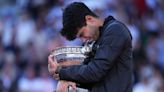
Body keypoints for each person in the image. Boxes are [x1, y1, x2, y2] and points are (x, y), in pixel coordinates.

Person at [48, 2, 133, 92]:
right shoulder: (97, 39)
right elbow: (88, 76)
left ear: (89, 19)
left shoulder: (115, 31)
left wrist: (61, 71)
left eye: (82, 34)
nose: (83, 40)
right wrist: (66, 81)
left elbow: (94, 72)